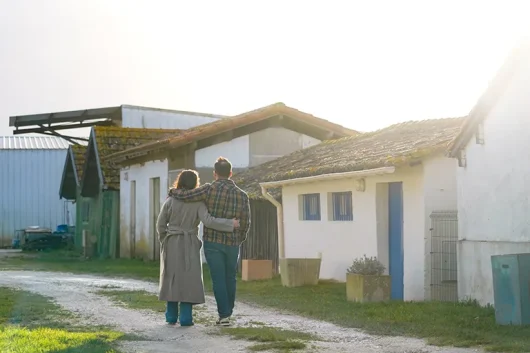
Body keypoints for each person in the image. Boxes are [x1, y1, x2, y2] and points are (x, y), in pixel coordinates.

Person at [168, 157, 251, 326]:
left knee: (218, 279)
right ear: (230, 173)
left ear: (214, 174)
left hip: (213, 242)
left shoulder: (208, 190)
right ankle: (228, 312)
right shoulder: (242, 195)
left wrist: (172, 192)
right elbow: (246, 222)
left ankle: (224, 315)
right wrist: (239, 238)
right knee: (230, 278)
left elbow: (186, 195)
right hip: (233, 243)